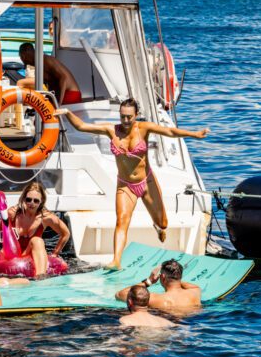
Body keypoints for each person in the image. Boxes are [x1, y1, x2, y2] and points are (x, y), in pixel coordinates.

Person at [55, 98, 210, 268]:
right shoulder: (111, 130)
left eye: (129, 117)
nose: (126, 120)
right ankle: (116, 260)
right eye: (123, 117)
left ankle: (159, 227)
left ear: (136, 115)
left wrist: (194, 134)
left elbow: (170, 132)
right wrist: (68, 113)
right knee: (121, 221)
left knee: (163, 222)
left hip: (146, 182)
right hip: (125, 185)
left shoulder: (144, 129)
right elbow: (82, 127)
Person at [0, 182, 70, 276]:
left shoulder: (46, 218)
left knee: (37, 241)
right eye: (28, 200)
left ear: (41, 201)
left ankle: (40, 277)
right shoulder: (12, 214)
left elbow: (66, 233)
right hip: (11, 254)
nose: (32, 203)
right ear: (23, 199)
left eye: (36, 201)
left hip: (29, 254)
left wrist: (55, 253)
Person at [116, 259, 201, 311]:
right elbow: (193, 286)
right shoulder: (195, 292)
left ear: (162, 277)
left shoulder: (154, 299)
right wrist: (175, 277)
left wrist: (149, 281)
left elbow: (119, 295)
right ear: (180, 276)